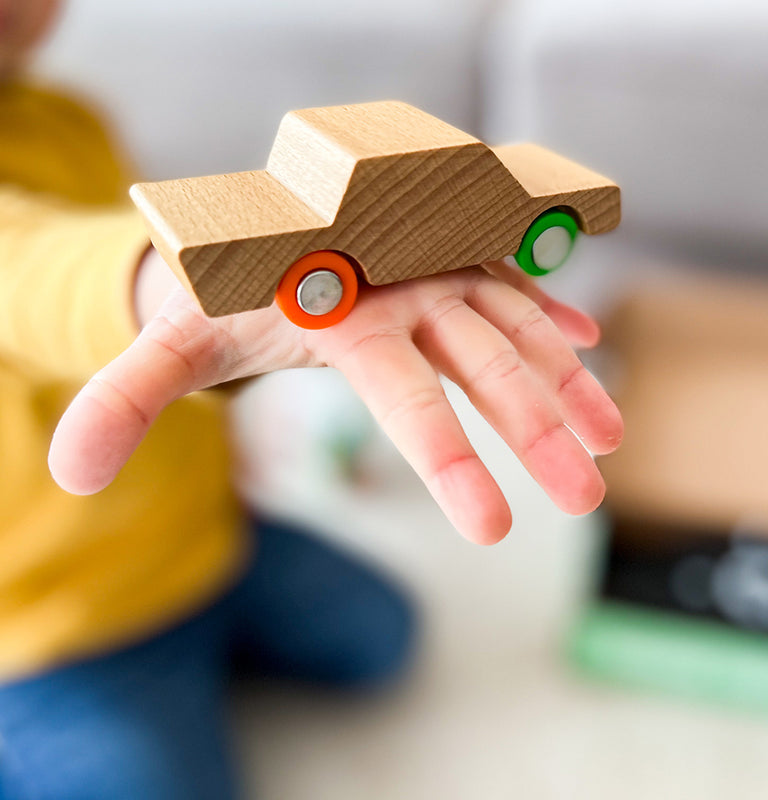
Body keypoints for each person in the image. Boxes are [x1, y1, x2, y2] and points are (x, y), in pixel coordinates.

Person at [0, 1, 624, 797]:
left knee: (384, 636)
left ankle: (201, 654)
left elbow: (191, 361)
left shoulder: (69, 118)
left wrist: (224, 432)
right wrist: (169, 288)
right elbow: (37, 275)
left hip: (204, 541)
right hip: (56, 630)